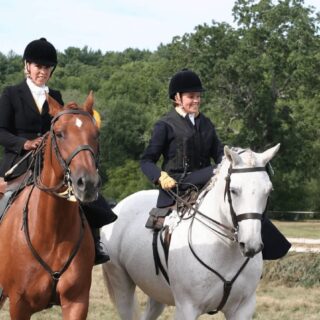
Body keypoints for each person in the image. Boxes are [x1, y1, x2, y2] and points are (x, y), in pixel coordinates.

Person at [140, 68, 291, 260]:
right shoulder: (165, 125)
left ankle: (263, 251)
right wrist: (160, 176)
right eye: (191, 96)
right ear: (177, 98)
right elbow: (146, 160)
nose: (196, 100)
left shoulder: (206, 123)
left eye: (198, 96)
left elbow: (220, 155)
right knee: (216, 172)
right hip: (177, 184)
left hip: (206, 180)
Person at [0, 38, 116, 265]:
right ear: (27, 66)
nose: (42, 71)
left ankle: (94, 241)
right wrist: (24, 143)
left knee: (88, 195)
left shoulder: (57, 96)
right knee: (3, 203)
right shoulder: (12, 94)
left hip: (50, 164)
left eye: (46, 67)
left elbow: (65, 132)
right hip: (18, 163)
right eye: (37, 66)